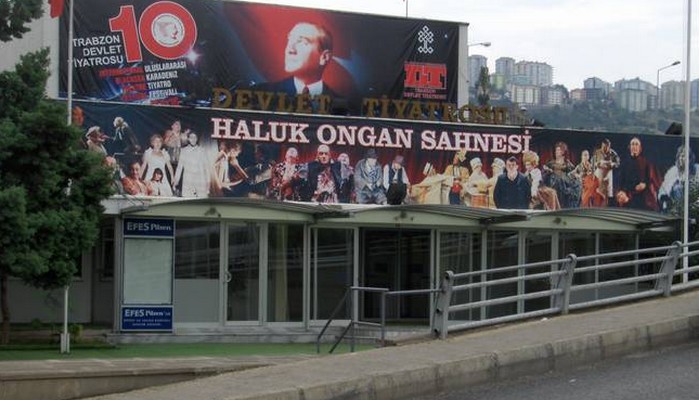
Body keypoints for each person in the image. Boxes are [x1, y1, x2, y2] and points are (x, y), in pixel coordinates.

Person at [257, 22, 338, 98]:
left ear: (324, 57)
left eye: (301, 42)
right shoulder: (260, 94)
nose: (290, 50)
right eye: (290, 39)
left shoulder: (339, 102)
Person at [615, 137, 659, 211]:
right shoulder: (624, 163)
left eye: (636, 144)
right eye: (632, 144)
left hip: (643, 196)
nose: (634, 146)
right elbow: (620, 181)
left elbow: (650, 179)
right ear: (629, 147)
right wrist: (622, 192)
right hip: (628, 196)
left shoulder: (646, 162)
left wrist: (645, 184)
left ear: (640, 148)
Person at [658, 145, 699, 213]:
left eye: (685, 156)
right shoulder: (672, 172)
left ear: (691, 158)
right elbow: (663, 192)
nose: (682, 158)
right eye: (680, 156)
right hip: (676, 210)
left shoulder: (697, 169)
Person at [172, 130, 210, 197]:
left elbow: (206, 167)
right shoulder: (184, 151)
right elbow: (179, 167)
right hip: (188, 181)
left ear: (197, 139)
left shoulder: (202, 151)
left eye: (195, 137)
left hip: (200, 180)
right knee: (188, 200)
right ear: (188, 139)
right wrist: (176, 180)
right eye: (191, 137)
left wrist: (208, 182)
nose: (193, 139)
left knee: (202, 200)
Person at [544, 141, 580, 208]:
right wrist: (548, 171)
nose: (556, 152)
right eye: (556, 150)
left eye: (558, 150)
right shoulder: (550, 163)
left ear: (563, 152)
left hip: (564, 187)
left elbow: (573, 175)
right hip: (553, 185)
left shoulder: (568, 164)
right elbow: (545, 174)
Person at [592, 138, 620, 206]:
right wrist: (597, 164)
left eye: (606, 147)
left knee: (606, 194)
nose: (605, 149)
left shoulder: (613, 153)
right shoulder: (597, 152)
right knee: (597, 192)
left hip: (608, 175)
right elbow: (592, 162)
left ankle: (605, 207)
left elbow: (618, 163)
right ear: (602, 145)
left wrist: (612, 164)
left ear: (609, 146)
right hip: (599, 175)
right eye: (603, 147)